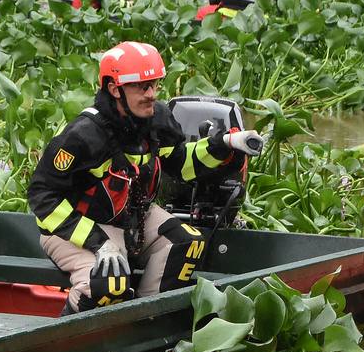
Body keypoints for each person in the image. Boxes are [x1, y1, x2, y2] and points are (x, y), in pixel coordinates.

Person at [27, 41, 265, 314]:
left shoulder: (157, 120)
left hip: (131, 219)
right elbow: (42, 197)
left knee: (187, 242)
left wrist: (226, 143)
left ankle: (144, 321)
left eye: (154, 85)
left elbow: (182, 164)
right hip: (75, 230)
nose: (151, 94)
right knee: (110, 282)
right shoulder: (82, 137)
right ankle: (63, 342)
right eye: (141, 87)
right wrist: (99, 243)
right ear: (115, 89)